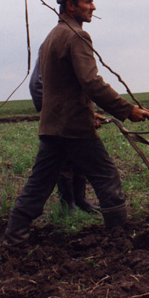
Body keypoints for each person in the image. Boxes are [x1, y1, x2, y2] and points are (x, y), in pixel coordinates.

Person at [4, 0, 149, 246]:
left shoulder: (51, 36)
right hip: (74, 129)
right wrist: (127, 110)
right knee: (107, 178)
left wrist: (90, 113)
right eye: (87, 2)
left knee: (38, 184)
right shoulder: (77, 36)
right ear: (70, 6)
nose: (93, 7)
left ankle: (15, 237)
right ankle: (120, 238)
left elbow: (60, 87)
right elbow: (91, 82)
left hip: (52, 128)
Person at [29, 55, 99, 214]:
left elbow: (84, 84)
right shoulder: (53, 46)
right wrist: (54, 112)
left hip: (78, 115)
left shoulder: (77, 46)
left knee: (81, 158)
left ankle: (80, 200)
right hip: (61, 119)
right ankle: (68, 204)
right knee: (64, 160)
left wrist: (88, 112)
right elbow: (36, 86)